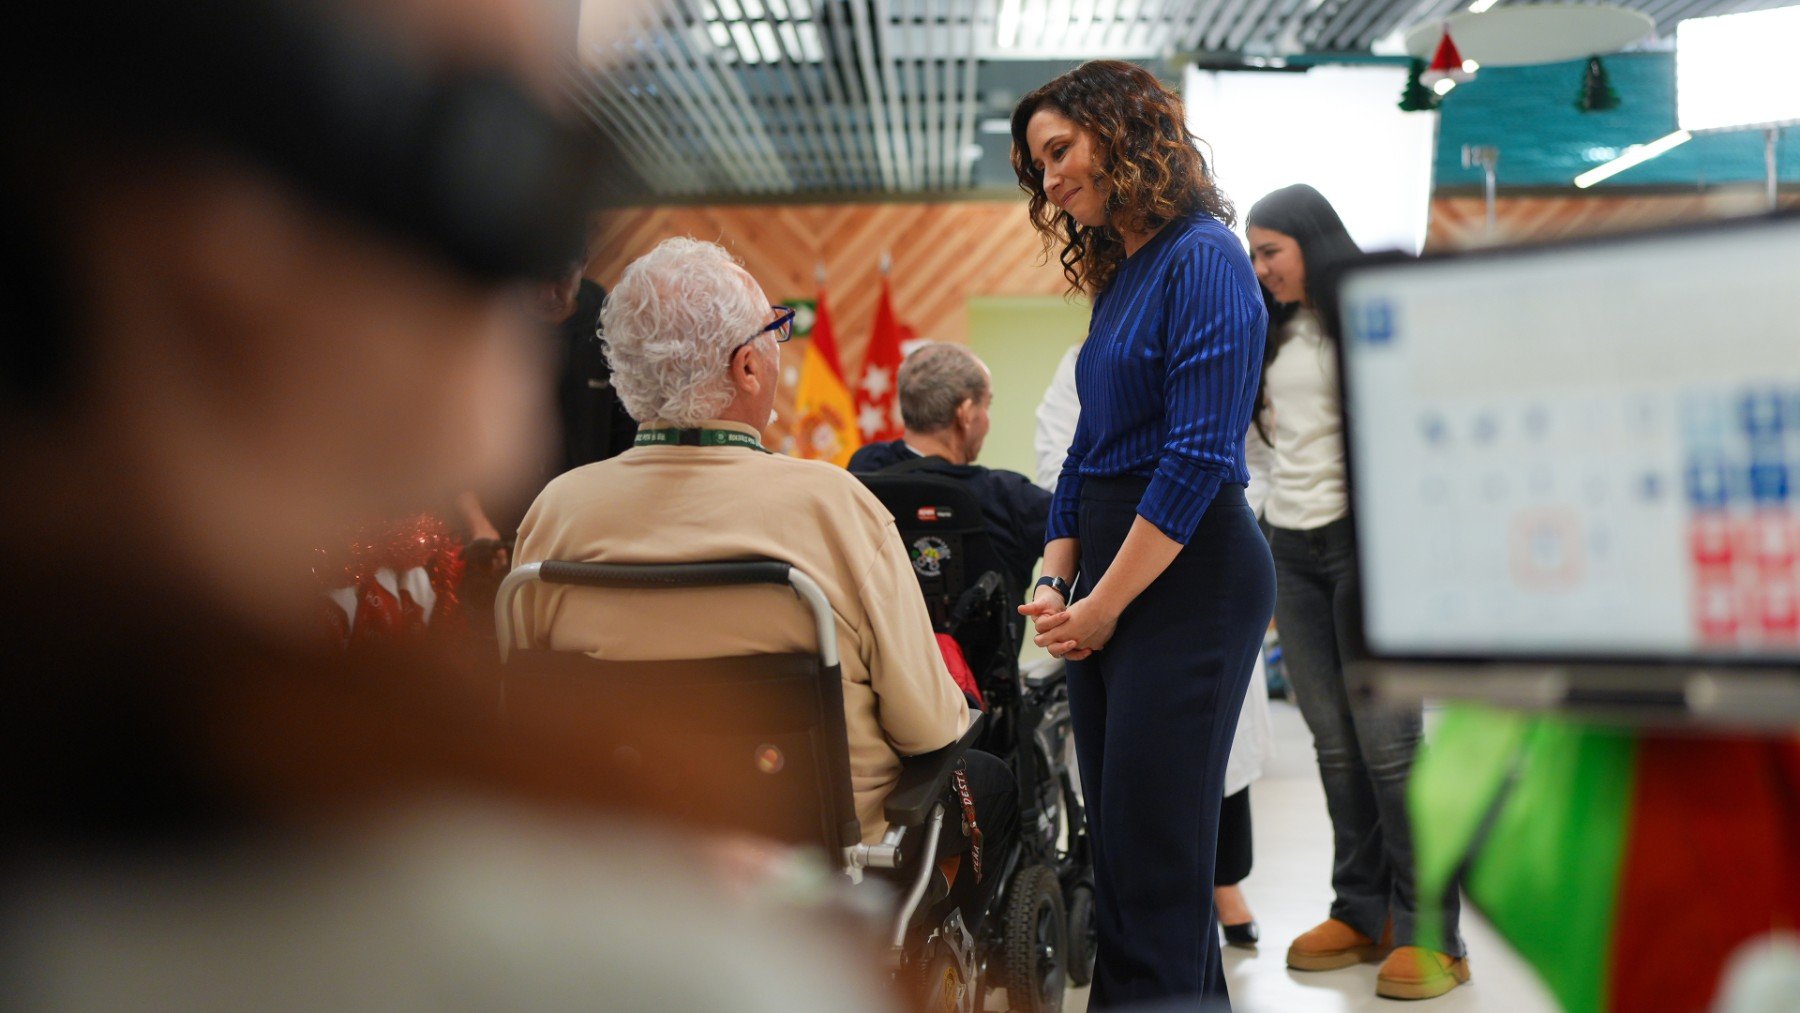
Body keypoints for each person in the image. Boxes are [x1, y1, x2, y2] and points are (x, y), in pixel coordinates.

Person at [0, 2, 893, 1007]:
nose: (556, 261)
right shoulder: (629, 969)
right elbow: (919, 716)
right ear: (223, 217)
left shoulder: (548, 525)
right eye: (517, 159)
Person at [509, 237, 1017, 874]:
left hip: (622, 856)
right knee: (992, 783)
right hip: (824, 866)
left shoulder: (555, 513)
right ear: (747, 367)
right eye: (776, 330)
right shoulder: (833, 507)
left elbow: (521, 721)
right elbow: (929, 730)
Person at [1010, 60, 1275, 1007]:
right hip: (1116, 575)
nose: (1049, 180)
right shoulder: (1123, 276)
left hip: (1189, 571)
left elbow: (1198, 459)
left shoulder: (1206, 256)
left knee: (1157, 866)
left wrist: (1106, 605)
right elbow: (1088, 449)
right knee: (1125, 856)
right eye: (1038, 164)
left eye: (1060, 151)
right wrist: (1054, 579)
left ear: (1121, 134)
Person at [1246, 182, 1469, 999]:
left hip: (1371, 548)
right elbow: (1262, 448)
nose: (1261, 267)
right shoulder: (1266, 335)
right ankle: (1361, 909)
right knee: (1334, 746)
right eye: (1255, 253)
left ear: (1312, 240)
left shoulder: (1374, 317)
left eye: (1272, 250)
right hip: (1292, 549)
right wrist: (1269, 517)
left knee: (1392, 749)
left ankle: (1432, 930)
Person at [1034, 338, 1277, 952]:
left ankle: (1223, 885)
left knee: (1195, 783)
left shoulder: (1210, 311)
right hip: (1103, 568)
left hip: (1193, 560)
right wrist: (1057, 577)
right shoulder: (1089, 358)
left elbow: (1221, 457)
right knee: (1132, 813)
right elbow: (1068, 457)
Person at [848, 341, 1051, 597]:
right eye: (986, 405)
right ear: (966, 413)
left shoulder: (865, 468)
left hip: (879, 638)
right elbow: (1086, 538)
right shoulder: (1008, 497)